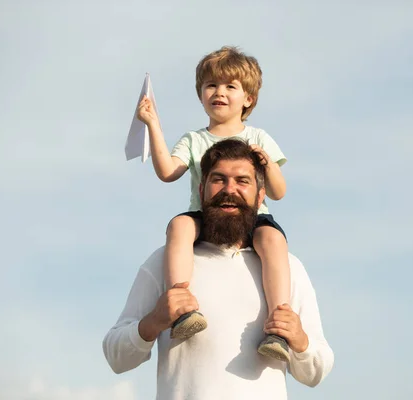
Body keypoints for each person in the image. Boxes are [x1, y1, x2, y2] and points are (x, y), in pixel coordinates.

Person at [103, 139, 334, 400]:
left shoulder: (287, 267)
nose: (229, 189)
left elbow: (316, 371)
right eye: (219, 179)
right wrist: (154, 321)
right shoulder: (164, 262)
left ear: (260, 196)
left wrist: (300, 341)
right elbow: (116, 357)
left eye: (242, 181)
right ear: (201, 190)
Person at [136, 46, 291, 361]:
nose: (219, 92)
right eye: (211, 86)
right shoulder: (194, 140)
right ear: (201, 94)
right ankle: (182, 306)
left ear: (248, 98)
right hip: (207, 216)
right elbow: (168, 172)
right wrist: (152, 124)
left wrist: (267, 163)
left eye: (230, 86)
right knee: (179, 225)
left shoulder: (259, 137)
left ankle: (278, 325)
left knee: (272, 238)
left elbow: (278, 192)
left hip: (252, 218)